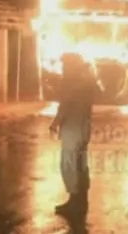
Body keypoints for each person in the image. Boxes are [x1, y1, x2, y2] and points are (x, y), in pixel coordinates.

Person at [50, 53, 96, 217]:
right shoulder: (88, 80)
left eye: (64, 65)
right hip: (83, 128)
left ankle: (75, 204)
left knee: (70, 166)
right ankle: (79, 202)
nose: (62, 68)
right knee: (80, 166)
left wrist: (55, 123)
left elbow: (65, 106)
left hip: (73, 128)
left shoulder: (72, 82)